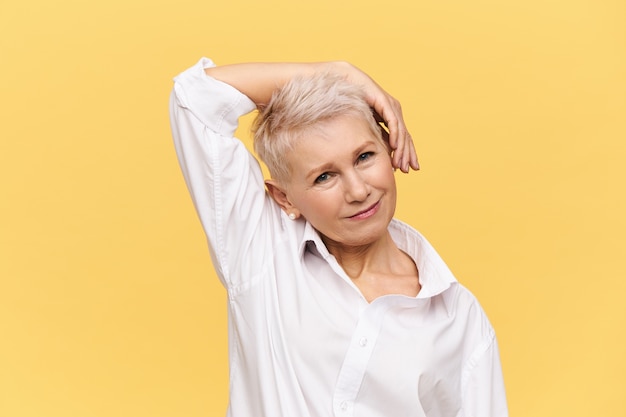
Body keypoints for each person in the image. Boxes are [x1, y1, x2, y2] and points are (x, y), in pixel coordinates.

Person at [169, 57, 508, 417]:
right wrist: (342, 73)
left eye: (364, 156)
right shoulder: (262, 250)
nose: (358, 190)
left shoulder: (457, 315)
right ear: (284, 198)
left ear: (388, 147)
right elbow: (195, 98)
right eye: (324, 177)